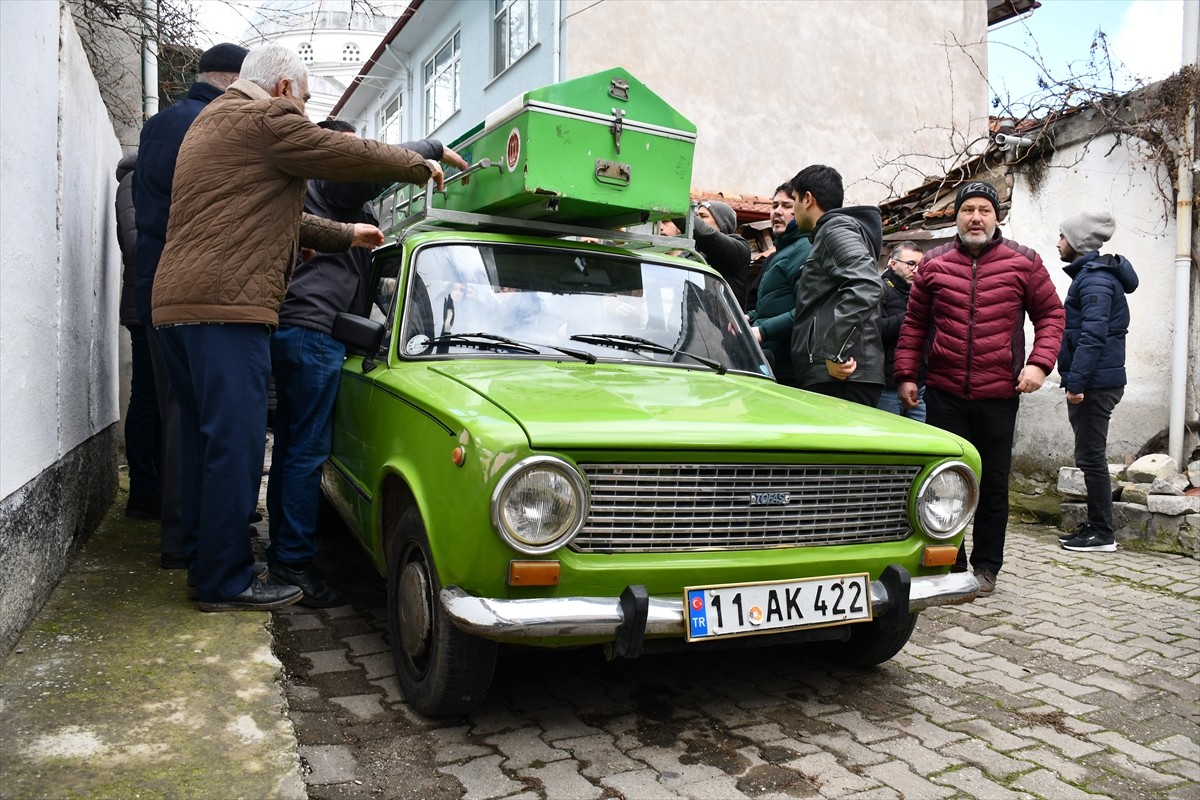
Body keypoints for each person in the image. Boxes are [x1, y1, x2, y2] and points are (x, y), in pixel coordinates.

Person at [151, 44, 443, 612]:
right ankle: (226, 581)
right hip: (226, 309)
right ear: (284, 87)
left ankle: (201, 560)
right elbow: (339, 153)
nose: (306, 113)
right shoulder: (267, 116)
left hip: (177, 307)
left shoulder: (216, 121)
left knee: (206, 444)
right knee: (235, 450)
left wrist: (345, 235)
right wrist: (420, 160)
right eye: (306, 100)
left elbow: (273, 215)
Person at [265, 119, 467, 607]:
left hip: (297, 328)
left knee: (294, 451)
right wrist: (433, 147)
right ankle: (293, 566)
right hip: (313, 334)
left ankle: (284, 557)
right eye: (354, 149)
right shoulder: (330, 181)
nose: (360, 155)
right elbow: (365, 167)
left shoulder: (315, 191)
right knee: (305, 453)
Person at [894, 181, 1065, 596]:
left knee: (992, 484)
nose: (975, 217)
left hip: (998, 395)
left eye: (984, 210)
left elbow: (1052, 315)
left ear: (996, 217)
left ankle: (987, 567)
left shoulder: (1024, 262)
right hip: (945, 392)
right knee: (942, 481)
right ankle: (951, 561)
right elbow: (914, 324)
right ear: (956, 216)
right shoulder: (933, 264)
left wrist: (1039, 365)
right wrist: (906, 374)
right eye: (968, 209)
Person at [133, 42, 249, 569]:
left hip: (158, 279)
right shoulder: (212, 122)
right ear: (232, 81)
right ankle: (189, 543)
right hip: (193, 280)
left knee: (176, 409)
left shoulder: (161, 122)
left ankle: (187, 534)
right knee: (197, 417)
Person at [1055, 211, 1137, 553]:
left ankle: (1102, 532)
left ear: (1076, 243)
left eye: (1061, 236)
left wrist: (1076, 383)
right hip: (1097, 380)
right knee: (1089, 454)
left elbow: (1092, 335)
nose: (1057, 242)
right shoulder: (1093, 276)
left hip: (1095, 383)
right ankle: (1096, 525)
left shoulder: (1095, 280)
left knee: (1091, 456)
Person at [787, 164, 884, 405]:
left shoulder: (835, 230)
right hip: (838, 376)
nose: (793, 211)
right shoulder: (831, 232)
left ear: (808, 199)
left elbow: (866, 284)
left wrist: (835, 352)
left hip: (841, 378)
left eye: (794, 201)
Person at [115, 152, 161, 519]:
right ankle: (143, 490)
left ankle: (157, 485)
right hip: (144, 302)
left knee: (158, 399)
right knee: (146, 397)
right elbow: (134, 245)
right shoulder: (133, 180)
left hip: (157, 300)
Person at [747, 183, 813, 387]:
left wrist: (761, 331)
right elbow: (774, 303)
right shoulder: (781, 252)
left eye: (786, 205)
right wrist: (750, 317)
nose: (777, 211)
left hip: (786, 368)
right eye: (774, 205)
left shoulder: (804, 250)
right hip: (767, 360)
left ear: (802, 208)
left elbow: (806, 310)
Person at [877, 241, 926, 420]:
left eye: (920, 265)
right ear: (893, 263)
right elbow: (876, 331)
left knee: (923, 443)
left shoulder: (922, 293)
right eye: (911, 264)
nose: (916, 270)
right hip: (888, 386)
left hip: (920, 384)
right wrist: (911, 315)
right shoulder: (878, 290)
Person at [693, 200, 751, 307]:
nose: (698, 220)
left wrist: (678, 210)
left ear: (721, 223)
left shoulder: (739, 248)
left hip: (724, 322)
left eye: (703, 216)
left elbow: (705, 235)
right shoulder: (694, 252)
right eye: (696, 216)